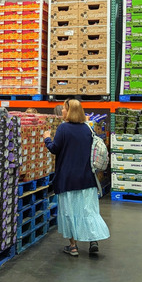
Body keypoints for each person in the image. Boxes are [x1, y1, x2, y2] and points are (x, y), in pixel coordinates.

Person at [43, 99, 110, 256]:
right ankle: (93, 240)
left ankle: (73, 247)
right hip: (86, 178)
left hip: (68, 178)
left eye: (64, 109)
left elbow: (54, 148)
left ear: (70, 111)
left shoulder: (63, 128)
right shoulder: (87, 129)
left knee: (69, 212)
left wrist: (47, 138)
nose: (62, 111)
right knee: (89, 210)